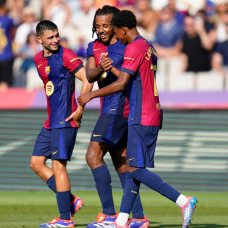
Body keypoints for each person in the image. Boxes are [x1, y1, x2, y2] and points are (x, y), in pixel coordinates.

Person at [77, 10, 197, 228]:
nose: (111, 34)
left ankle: (182, 200)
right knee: (128, 166)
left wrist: (90, 94)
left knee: (131, 168)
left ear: (122, 29)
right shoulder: (148, 46)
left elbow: (122, 83)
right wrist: (108, 67)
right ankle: (128, 219)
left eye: (113, 29)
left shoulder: (132, 47)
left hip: (140, 112)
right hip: (142, 111)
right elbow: (129, 76)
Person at [85, 5, 148, 228]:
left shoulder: (125, 46)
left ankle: (110, 215)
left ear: (115, 26)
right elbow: (89, 74)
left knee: (93, 156)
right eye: (98, 25)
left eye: (106, 25)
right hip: (108, 109)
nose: (101, 29)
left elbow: (125, 81)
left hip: (120, 109)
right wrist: (100, 66)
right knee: (122, 163)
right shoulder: (93, 46)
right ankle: (139, 218)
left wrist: (109, 69)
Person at [31, 20, 92, 227]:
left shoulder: (66, 55)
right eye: (51, 37)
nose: (56, 40)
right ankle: (71, 200)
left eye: (57, 35)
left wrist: (80, 108)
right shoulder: (38, 59)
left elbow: (87, 79)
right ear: (39, 40)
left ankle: (65, 219)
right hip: (50, 122)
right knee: (36, 163)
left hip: (65, 120)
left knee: (58, 166)